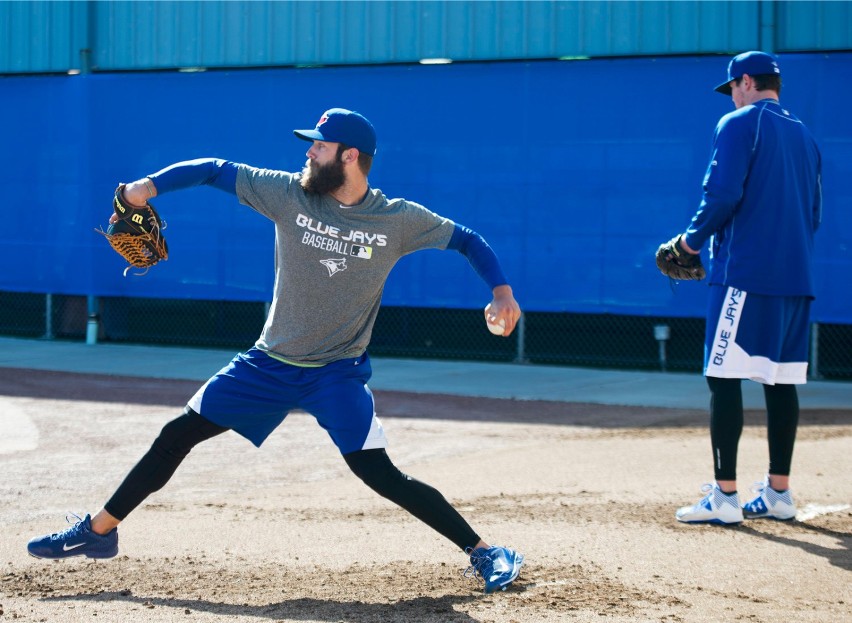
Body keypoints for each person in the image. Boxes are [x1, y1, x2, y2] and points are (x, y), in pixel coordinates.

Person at [27, 108, 525, 593]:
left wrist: (501, 292)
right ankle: (98, 532)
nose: (309, 152)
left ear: (349, 156)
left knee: (378, 472)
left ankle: (484, 551)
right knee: (177, 435)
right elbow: (213, 170)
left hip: (336, 372)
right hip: (268, 364)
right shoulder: (289, 193)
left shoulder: (395, 220)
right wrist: (146, 187)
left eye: (320, 145)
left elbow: (467, 240)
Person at [671, 52, 822, 525]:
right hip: (796, 278)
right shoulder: (806, 134)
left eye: (734, 86)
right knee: (781, 382)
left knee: (722, 377)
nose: (732, 94)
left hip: (744, 273)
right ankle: (779, 493)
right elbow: (813, 213)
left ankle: (725, 495)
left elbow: (721, 194)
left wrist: (690, 243)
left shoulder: (739, 122)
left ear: (747, 82)